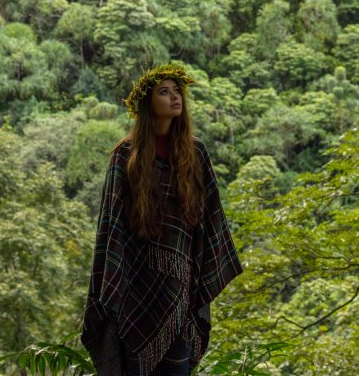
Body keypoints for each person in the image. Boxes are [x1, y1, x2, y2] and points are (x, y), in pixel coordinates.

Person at [81, 64, 243, 376]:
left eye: (177, 91)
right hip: (135, 286)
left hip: (180, 287)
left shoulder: (195, 152)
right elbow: (111, 228)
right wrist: (115, 284)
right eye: (164, 92)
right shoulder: (125, 155)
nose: (174, 97)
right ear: (147, 103)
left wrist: (196, 275)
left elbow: (210, 218)